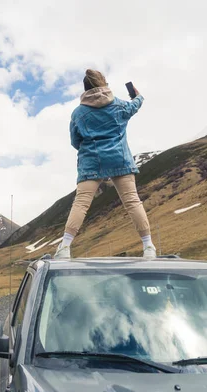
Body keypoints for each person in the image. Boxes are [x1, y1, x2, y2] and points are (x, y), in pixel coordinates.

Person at [54, 69, 157, 259]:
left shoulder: (79, 113)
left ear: (85, 89)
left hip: (92, 161)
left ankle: (65, 248)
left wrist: (89, 148)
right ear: (104, 85)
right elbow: (136, 104)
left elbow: (74, 141)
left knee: (81, 203)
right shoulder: (119, 106)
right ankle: (148, 246)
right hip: (120, 159)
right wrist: (138, 95)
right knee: (132, 201)